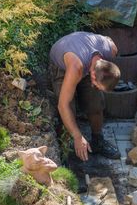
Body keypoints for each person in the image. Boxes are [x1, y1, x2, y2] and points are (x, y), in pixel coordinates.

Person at [49, 31, 121, 161]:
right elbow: (62, 105)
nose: (99, 89)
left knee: (96, 104)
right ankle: (66, 152)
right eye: (99, 86)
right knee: (68, 107)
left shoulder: (110, 50)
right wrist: (78, 136)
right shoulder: (76, 68)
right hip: (64, 64)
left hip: (83, 57)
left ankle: (98, 141)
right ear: (93, 75)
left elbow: (109, 40)